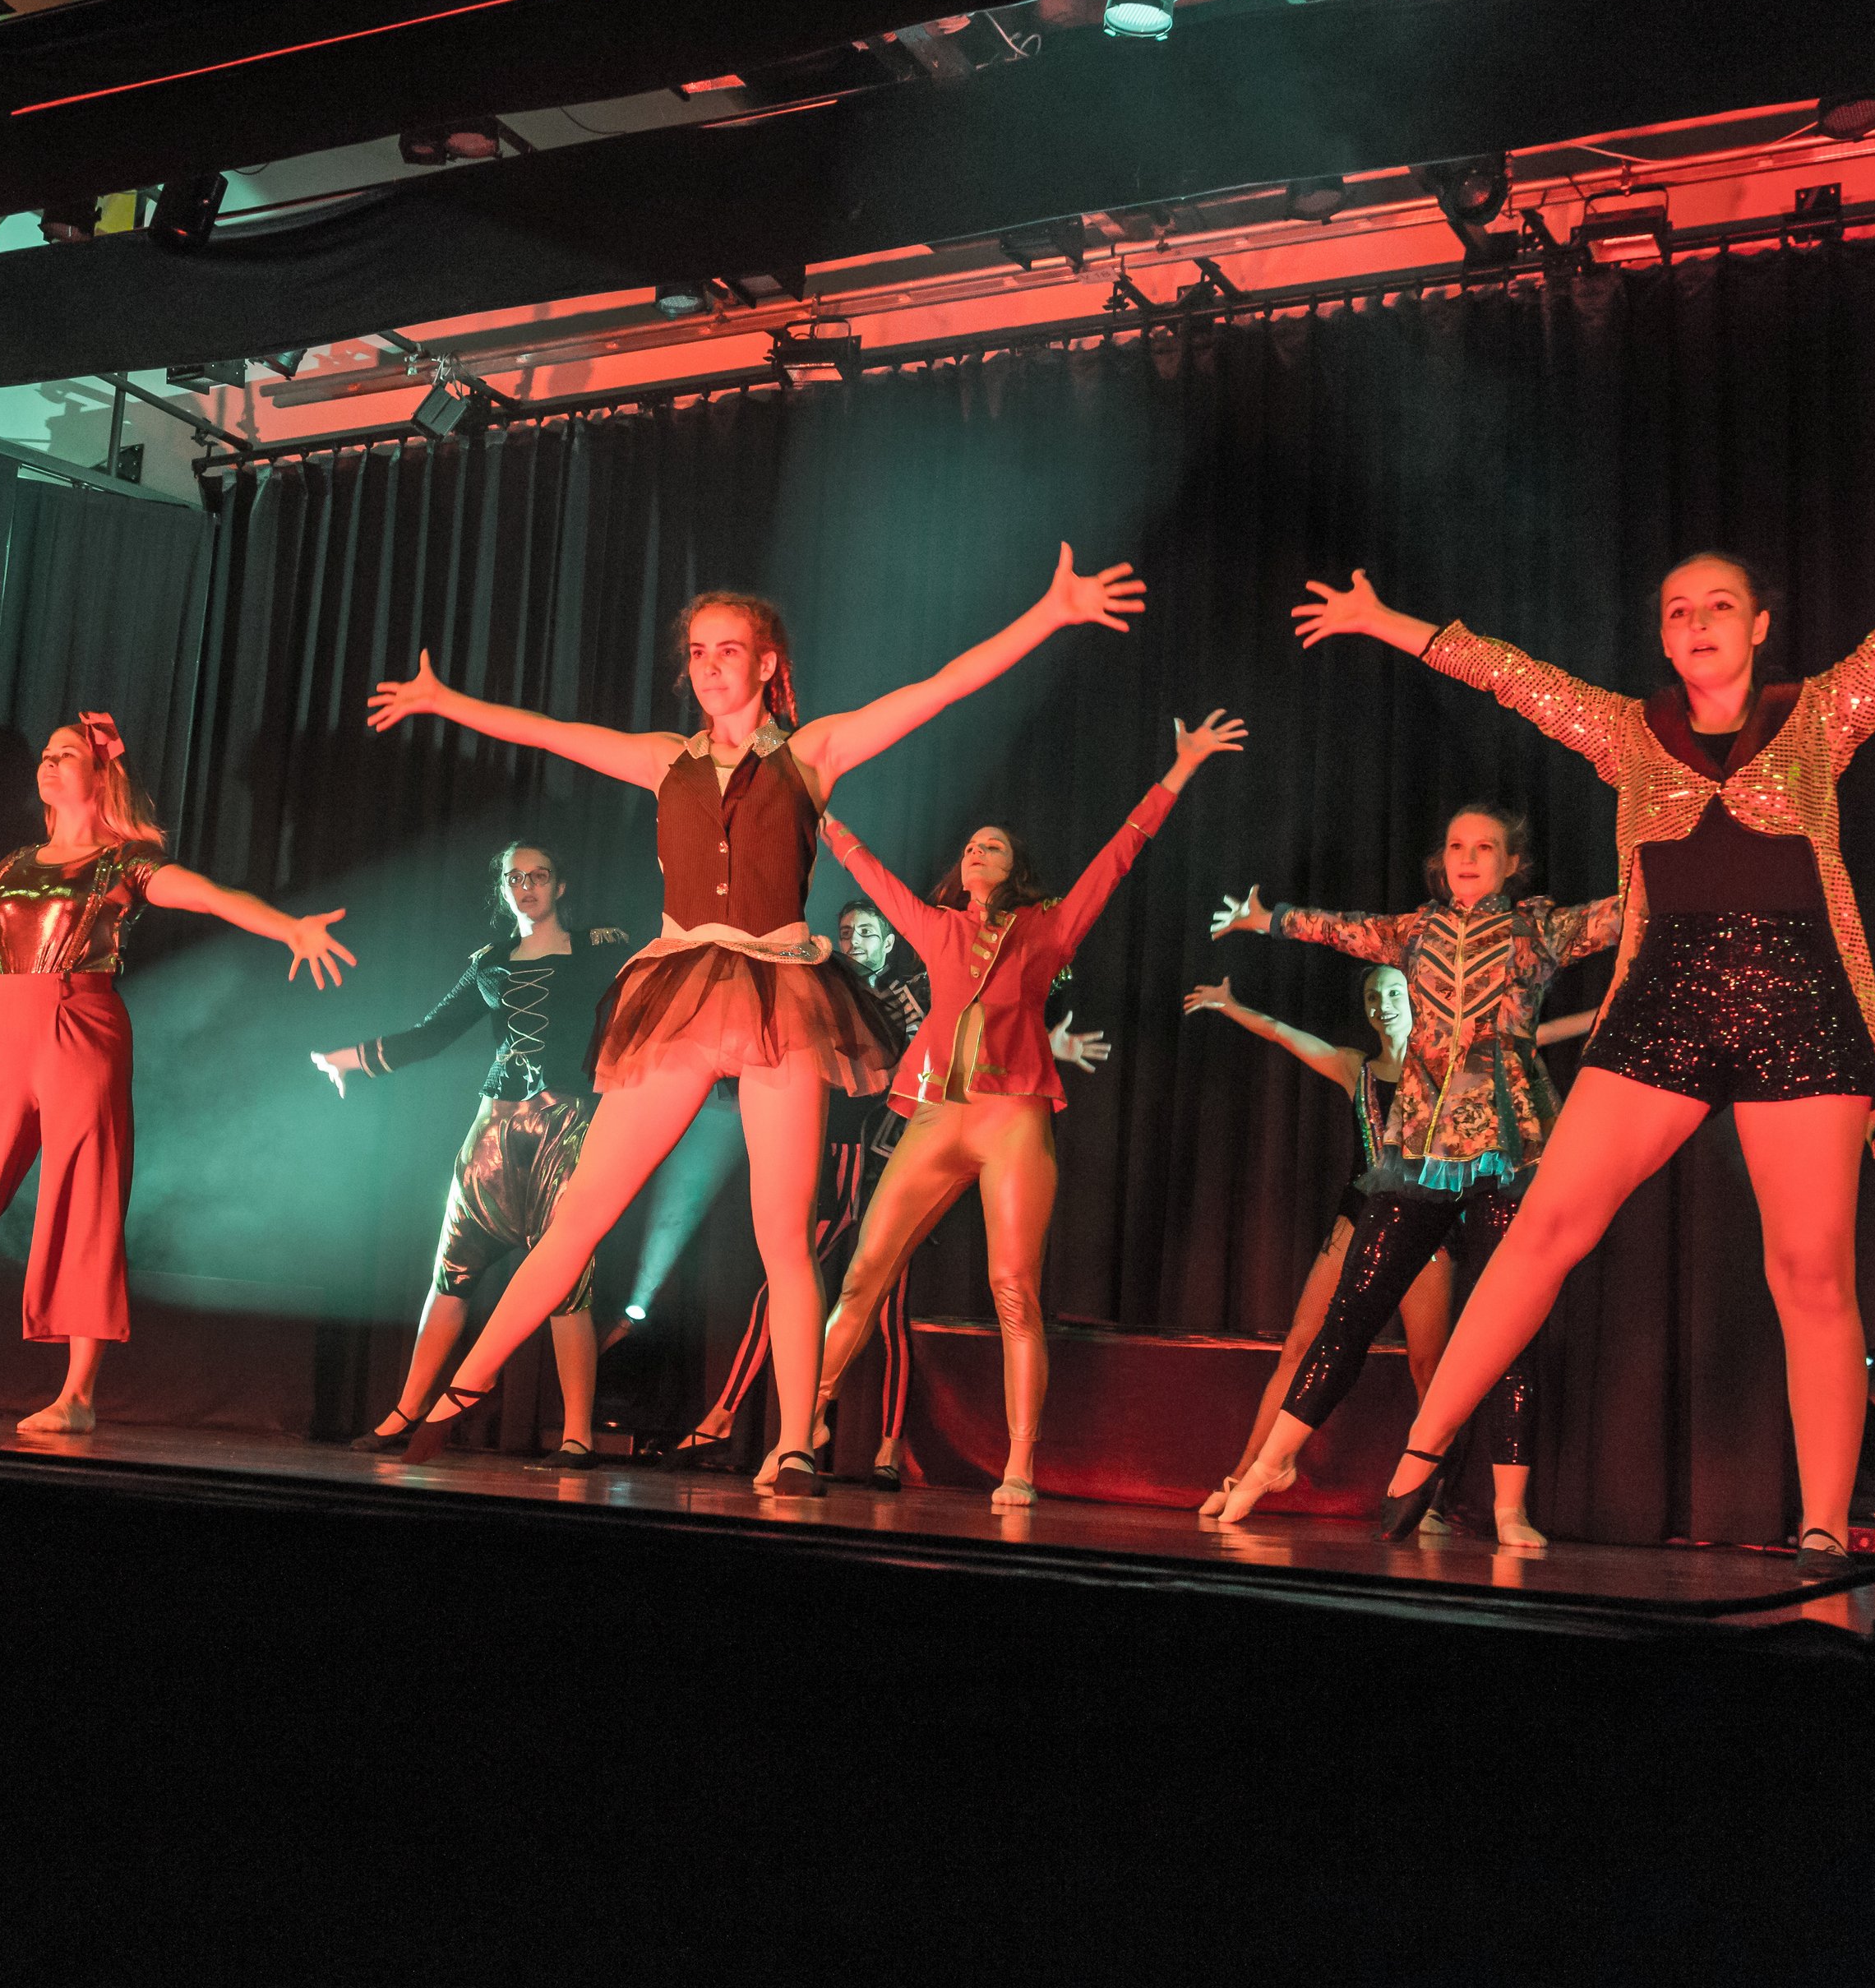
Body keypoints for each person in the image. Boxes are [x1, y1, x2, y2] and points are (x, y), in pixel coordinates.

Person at [1292, 428, 1875, 1570]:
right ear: (1664, 638)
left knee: (1809, 1273)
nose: (1697, 622)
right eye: (1678, 611)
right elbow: (1511, 675)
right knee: (1547, 1227)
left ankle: (1822, 1524)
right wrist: (1386, 623)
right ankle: (1424, 1449)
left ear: (1759, 625)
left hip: (1798, 1007)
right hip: (1661, 1005)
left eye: (1719, 605)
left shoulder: (1819, 713)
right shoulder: (1629, 732)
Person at [366, 546, 1148, 1493]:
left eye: (728, 650)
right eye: (698, 652)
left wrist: (1049, 613)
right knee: (577, 1216)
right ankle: (466, 1386)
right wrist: (446, 701)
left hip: (780, 992)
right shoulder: (666, 760)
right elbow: (553, 732)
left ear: (768, 661)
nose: (709, 666)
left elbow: (940, 688)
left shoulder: (812, 753)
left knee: (785, 1233)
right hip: (680, 993)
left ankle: (794, 1441)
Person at [0, 714, 353, 1435]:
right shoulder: (15, 866)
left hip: (82, 1026)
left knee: (86, 1197)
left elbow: (211, 895)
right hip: (6, 1032)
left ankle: (78, 1395)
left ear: (100, 775)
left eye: (66, 754)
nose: (48, 763)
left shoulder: (124, 864)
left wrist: (290, 928)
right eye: (45, 755)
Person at [808, 711, 1247, 1506]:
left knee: (1013, 1288)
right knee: (865, 1272)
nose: (977, 852)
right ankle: (804, 1426)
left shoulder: (1049, 928)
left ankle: (1019, 1466)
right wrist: (816, 808)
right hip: (937, 1117)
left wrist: (1179, 769)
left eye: (994, 847)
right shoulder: (936, 926)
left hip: (1011, 1121)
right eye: (971, 846)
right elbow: (866, 869)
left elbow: (1120, 856)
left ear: (1017, 870)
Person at [1204, 807, 1619, 1546]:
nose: (1468, 857)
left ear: (1511, 863)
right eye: (1457, 845)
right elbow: (1341, 928)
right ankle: (1271, 1464)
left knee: (1509, 1333)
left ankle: (1510, 1509)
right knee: (1350, 1316)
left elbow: (1625, 913)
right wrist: (1270, 918)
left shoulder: (1540, 928)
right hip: (1420, 1151)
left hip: (1509, 1151)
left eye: (1485, 847)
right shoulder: (1415, 931)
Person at [670, 902, 1108, 1484]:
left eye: (866, 933)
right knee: (817, 1285)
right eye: (846, 932)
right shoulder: (825, 988)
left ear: (889, 944)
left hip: (895, 1154)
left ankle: (886, 1445)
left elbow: (979, 1028)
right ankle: (750, 1416)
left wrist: (1044, 1045)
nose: (854, 941)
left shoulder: (913, 994)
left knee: (889, 1307)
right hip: (840, 1155)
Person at [312, 843, 630, 1465]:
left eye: (539, 876)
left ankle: (578, 1435)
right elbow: (433, 1033)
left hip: (564, 1131)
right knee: (450, 1276)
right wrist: (351, 1059)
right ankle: (405, 1412)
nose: (526, 887)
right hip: (490, 1138)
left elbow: (646, 1006)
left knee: (567, 1282)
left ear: (560, 885)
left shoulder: (600, 949)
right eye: (515, 878)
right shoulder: (488, 964)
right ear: (504, 890)